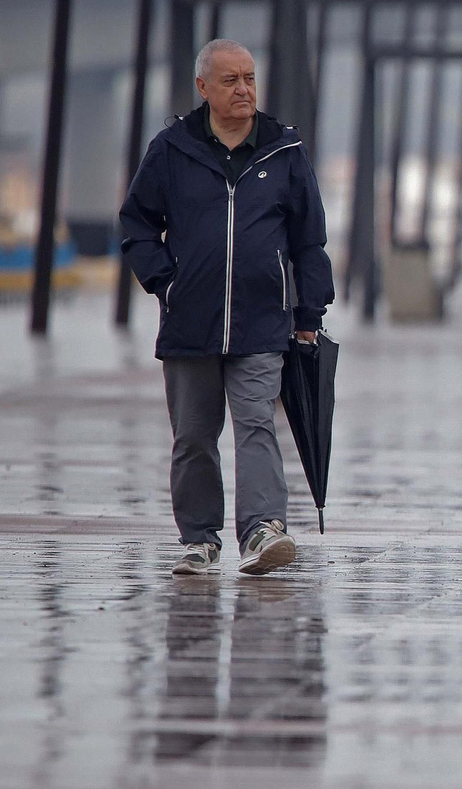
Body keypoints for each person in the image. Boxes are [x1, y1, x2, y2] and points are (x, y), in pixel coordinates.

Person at [120, 39, 333, 577]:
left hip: (263, 322)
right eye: (231, 80)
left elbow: (310, 241)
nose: (243, 90)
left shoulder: (284, 152)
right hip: (190, 323)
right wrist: (166, 284)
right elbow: (137, 224)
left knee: (257, 423)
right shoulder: (172, 149)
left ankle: (263, 530)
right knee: (193, 437)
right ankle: (199, 538)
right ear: (203, 88)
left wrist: (308, 315)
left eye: (250, 79)